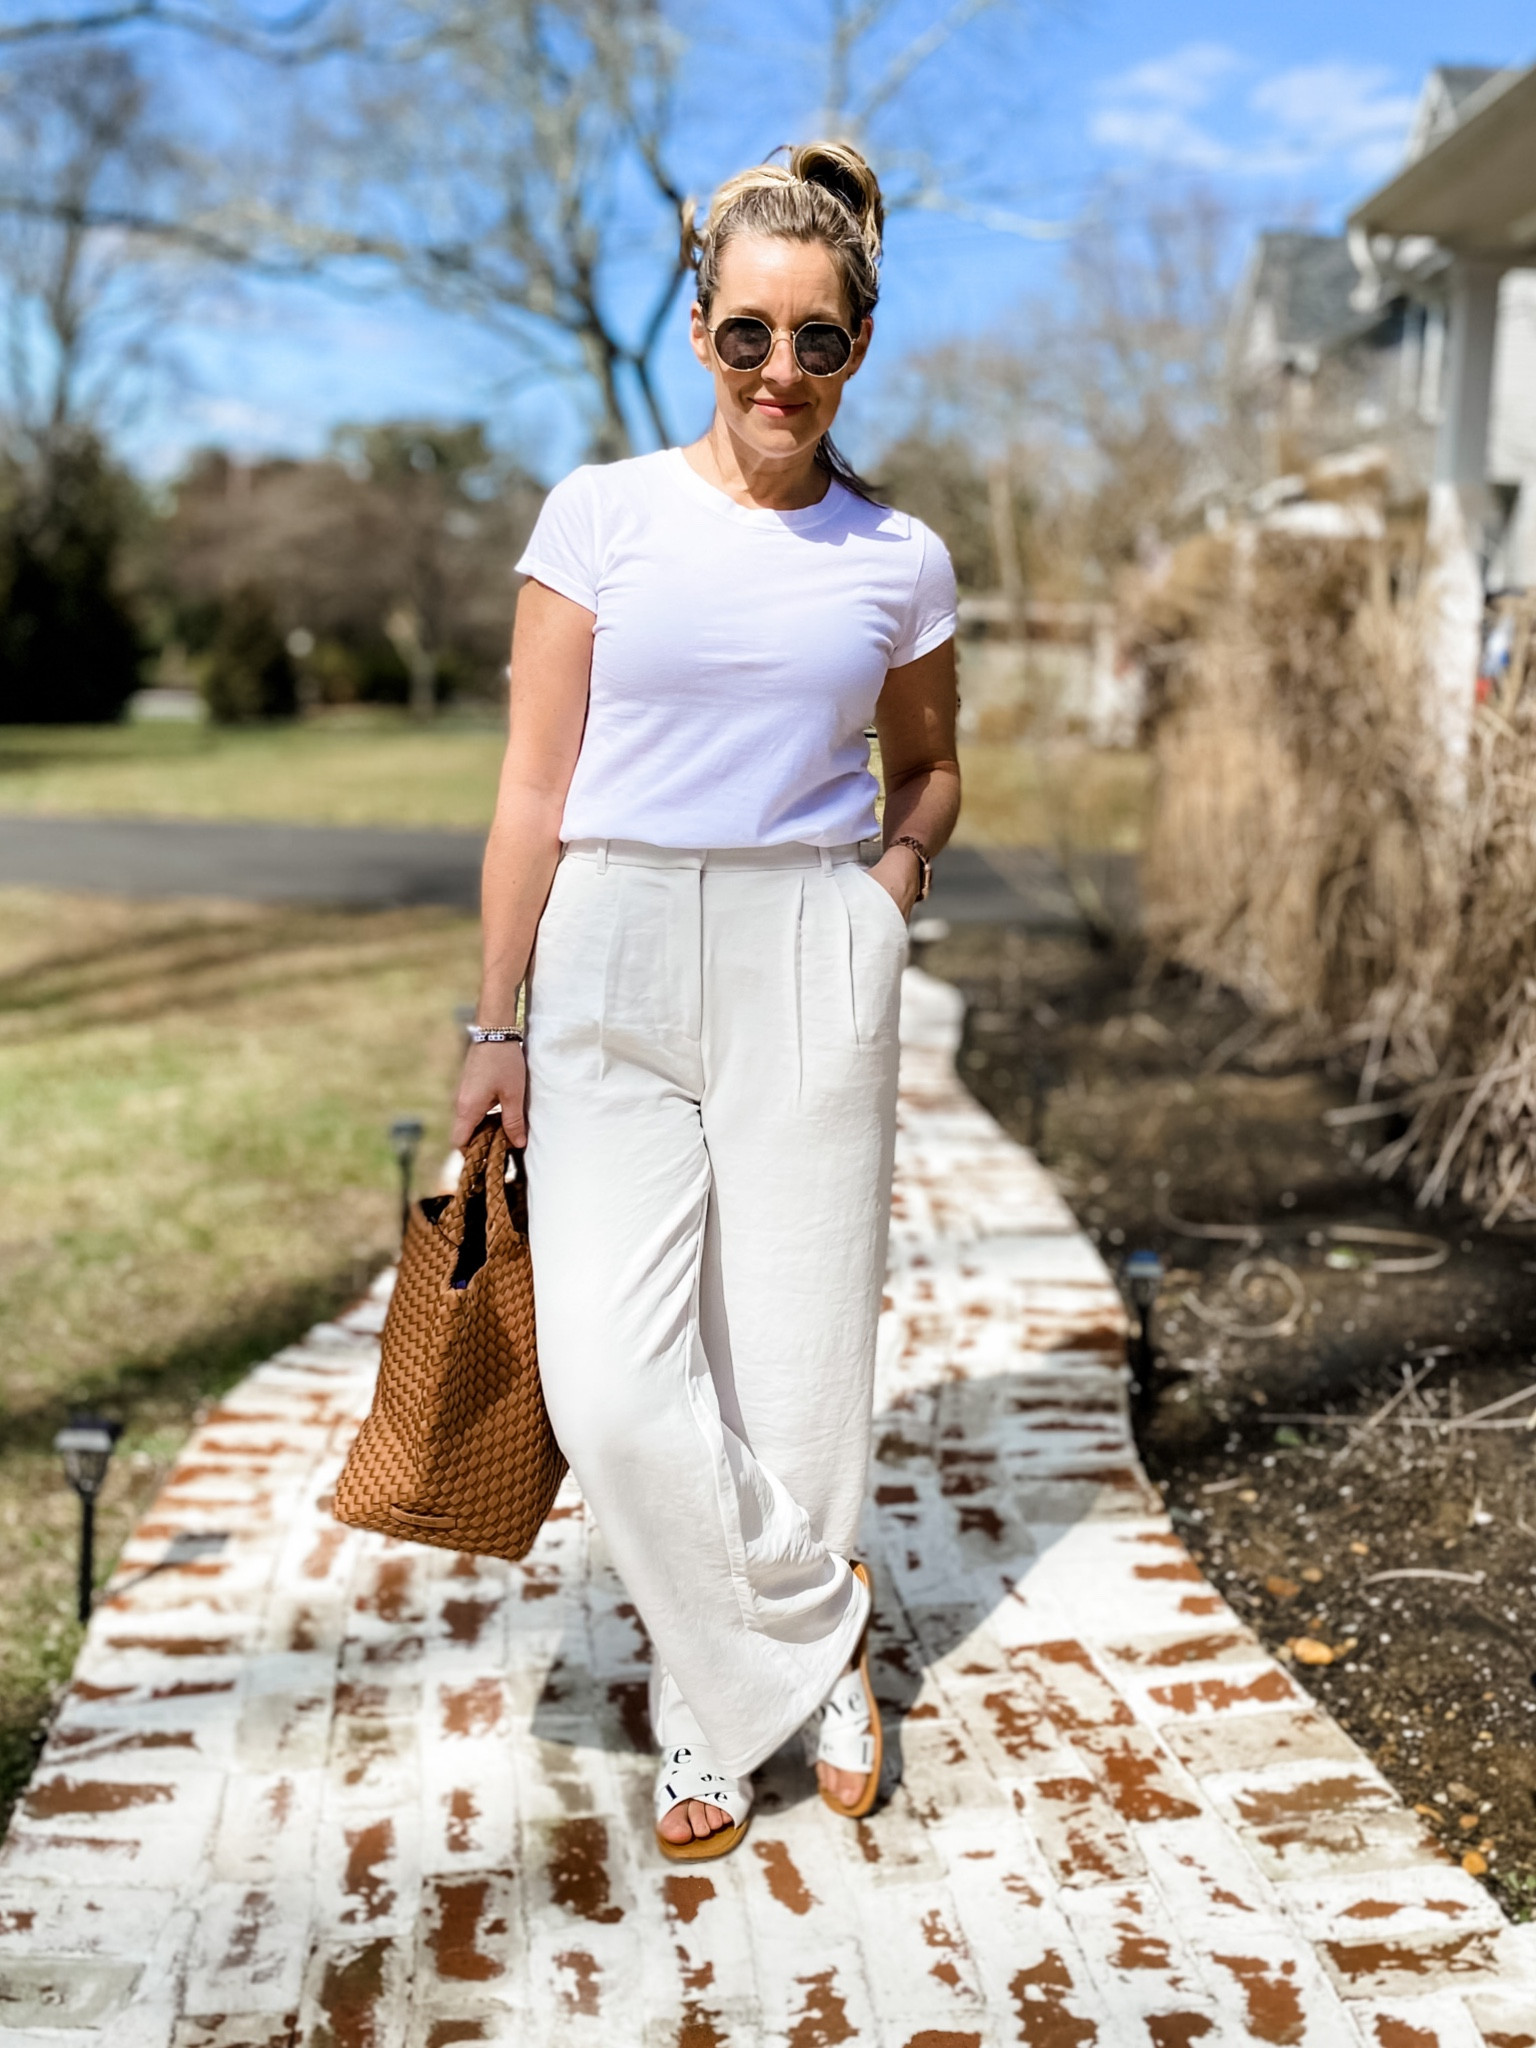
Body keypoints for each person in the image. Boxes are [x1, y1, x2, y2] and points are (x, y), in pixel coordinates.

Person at [452, 138, 960, 1861]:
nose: (781, 374)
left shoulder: (901, 554)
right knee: (608, 1379)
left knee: (797, 1360)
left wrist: (885, 900)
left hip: (811, 944)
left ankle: (711, 1707)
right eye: (750, 335)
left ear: (859, 346)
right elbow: (533, 786)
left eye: (818, 341)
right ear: (700, 332)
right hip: (609, 943)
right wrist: (490, 1023)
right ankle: (814, 1630)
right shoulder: (599, 514)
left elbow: (934, 768)